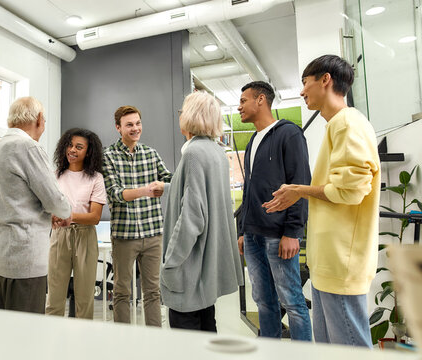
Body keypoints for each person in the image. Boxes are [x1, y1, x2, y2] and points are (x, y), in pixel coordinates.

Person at [263, 55, 380, 347]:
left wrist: (300, 190)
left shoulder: (348, 124)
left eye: (306, 83)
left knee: (349, 348)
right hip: (329, 263)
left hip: (342, 263)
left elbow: (351, 189)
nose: (302, 92)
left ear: (325, 80)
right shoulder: (337, 125)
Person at [236, 81, 313, 341]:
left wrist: (293, 231)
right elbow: (249, 190)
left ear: (260, 100)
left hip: (279, 234)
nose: (239, 107)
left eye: (243, 100)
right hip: (254, 235)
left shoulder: (289, 133)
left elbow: (300, 184)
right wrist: (242, 229)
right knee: (264, 301)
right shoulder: (253, 141)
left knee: (292, 301)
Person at [161, 91, 243, 331]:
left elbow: (192, 216)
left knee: (187, 339)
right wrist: (168, 186)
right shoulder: (216, 152)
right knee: (207, 327)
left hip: (190, 266)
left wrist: (171, 261)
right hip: (206, 269)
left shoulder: (194, 154)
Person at [0, 96, 71, 314]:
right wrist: (65, 213)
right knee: (26, 338)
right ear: (40, 119)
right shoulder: (28, 147)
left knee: (1, 334)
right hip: (24, 259)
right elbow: (55, 199)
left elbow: (14, 200)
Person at [102, 105, 172, 326]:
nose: (135, 128)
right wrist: (145, 190)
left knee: (153, 291)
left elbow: (171, 179)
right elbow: (114, 193)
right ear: (118, 128)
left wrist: (163, 185)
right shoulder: (108, 156)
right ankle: (124, 342)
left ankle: (153, 340)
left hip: (153, 233)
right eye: (129, 125)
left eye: (138, 123)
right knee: (122, 291)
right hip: (124, 234)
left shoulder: (151, 154)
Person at [46, 128, 106, 319]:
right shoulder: (55, 176)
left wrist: (68, 216)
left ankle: (82, 344)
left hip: (85, 237)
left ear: (88, 152)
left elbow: (95, 217)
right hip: (59, 236)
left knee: (84, 300)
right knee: (54, 298)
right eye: (70, 145)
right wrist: (52, 217)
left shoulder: (96, 178)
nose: (72, 150)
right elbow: (46, 208)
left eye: (79, 147)